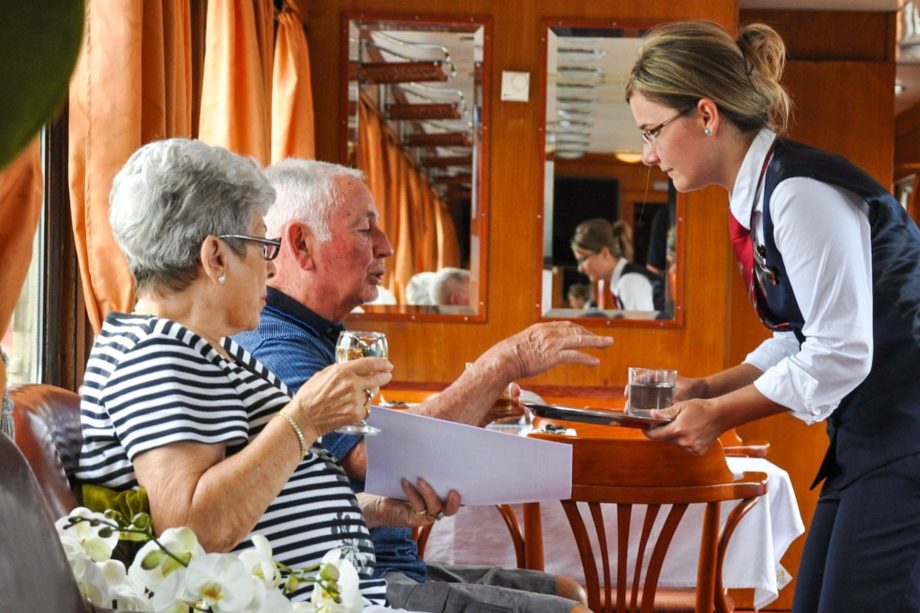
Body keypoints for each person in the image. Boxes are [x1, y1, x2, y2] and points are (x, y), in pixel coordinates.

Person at [75, 138, 460, 606]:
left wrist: (374, 511)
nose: (271, 264)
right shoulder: (157, 353)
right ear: (215, 257)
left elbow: (261, 507)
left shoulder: (203, 349)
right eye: (262, 243)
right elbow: (190, 531)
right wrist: (305, 419)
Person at [625, 20, 920, 612]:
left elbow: (840, 352)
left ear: (706, 116)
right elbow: (801, 337)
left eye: (653, 131)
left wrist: (717, 414)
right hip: (871, 438)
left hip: (906, 433)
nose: (649, 155)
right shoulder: (763, 195)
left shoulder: (799, 191)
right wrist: (709, 387)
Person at [234, 158, 614, 613]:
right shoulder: (274, 342)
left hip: (388, 562)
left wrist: (479, 400)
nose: (387, 246)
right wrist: (501, 364)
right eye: (365, 229)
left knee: (567, 591)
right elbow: (379, 455)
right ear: (301, 244)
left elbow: (382, 439)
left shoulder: (321, 336)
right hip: (348, 583)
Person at [570, 218, 664, 311]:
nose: (580, 269)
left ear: (605, 253)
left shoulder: (630, 281)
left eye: (583, 259)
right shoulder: (623, 280)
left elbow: (642, 326)